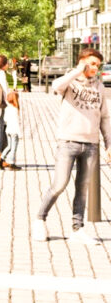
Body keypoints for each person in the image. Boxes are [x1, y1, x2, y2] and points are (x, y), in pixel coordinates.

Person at [32, 48, 111, 245]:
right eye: (92, 64)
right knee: (59, 185)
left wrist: (109, 144)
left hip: (91, 145)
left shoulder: (99, 87)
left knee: (82, 189)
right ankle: (39, 220)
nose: (95, 68)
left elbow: (104, 118)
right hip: (68, 142)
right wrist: (78, 71)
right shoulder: (70, 81)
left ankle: (77, 229)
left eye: (97, 65)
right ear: (82, 62)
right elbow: (56, 85)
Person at [1, 90, 23, 171]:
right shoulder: (15, 109)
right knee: (13, 148)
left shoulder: (7, 108)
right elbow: (17, 123)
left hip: (8, 130)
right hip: (14, 131)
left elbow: (5, 119)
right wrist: (20, 134)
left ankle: (1, 159)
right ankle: (12, 163)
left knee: (9, 146)